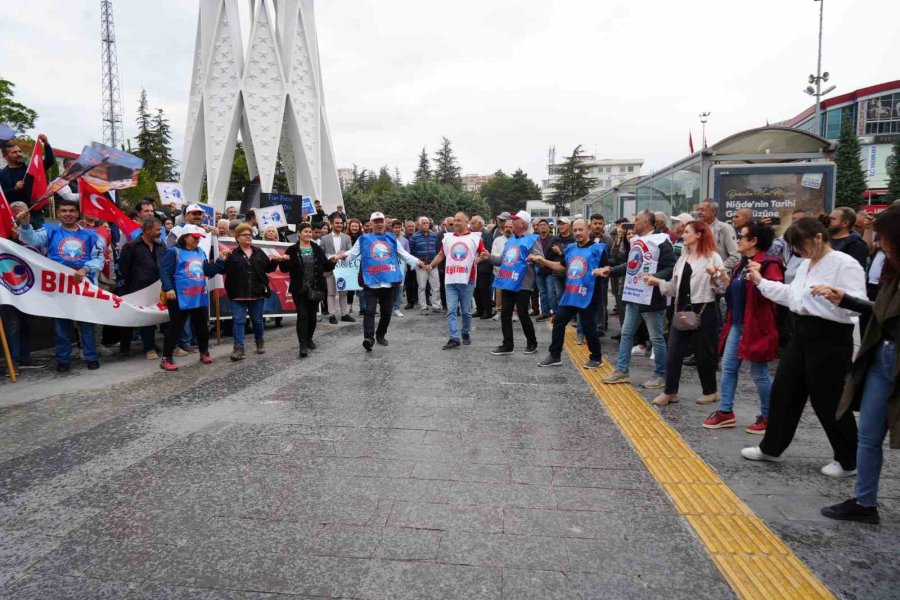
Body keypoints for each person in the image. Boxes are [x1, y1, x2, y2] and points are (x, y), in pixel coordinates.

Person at [740, 217, 865, 478]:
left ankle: (848, 459)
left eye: (801, 245)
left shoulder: (845, 263)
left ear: (817, 238)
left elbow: (860, 303)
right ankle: (772, 447)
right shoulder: (807, 263)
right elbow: (791, 296)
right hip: (801, 332)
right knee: (784, 391)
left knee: (828, 399)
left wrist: (838, 297)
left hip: (830, 335)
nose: (798, 252)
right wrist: (761, 282)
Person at [817, 206, 900, 524]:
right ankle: (865, 502)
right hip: (880, 357)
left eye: (882, 237)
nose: (877, 243)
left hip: (892, 361)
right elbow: (879, 309)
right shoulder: (891, 268)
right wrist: (846, 300)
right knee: (868, 435)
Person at [703, 222, 782, 432]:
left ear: (754, 241)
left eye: (742, 237)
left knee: (759, 373)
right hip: (737, 324)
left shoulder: (768, 264)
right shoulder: (743, 262)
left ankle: (769, 416)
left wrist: (759, 279)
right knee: (729, 368)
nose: (738, 240)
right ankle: (725, 411)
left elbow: (777, 292)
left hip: (757, 326)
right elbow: (734, 289)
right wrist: (721, 277)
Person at [14, 199, 106, 372]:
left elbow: (99, 257)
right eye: (64, 211)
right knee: (61, 326)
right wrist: (25, 225)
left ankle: (91, 357)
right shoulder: (49, 231)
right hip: (59, 287)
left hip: (83, 285)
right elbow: (32, 240)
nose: (68, 214)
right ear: (58, 213)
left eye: (71, 211)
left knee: (86, 323)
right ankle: (63, 360)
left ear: (78, 213)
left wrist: (85, 269)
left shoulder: (91, 235)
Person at [645, 220, 726, 406]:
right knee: (673, 352)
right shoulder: (682, 258)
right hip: (681, 309)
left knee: (703, 354)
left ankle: (711, 391)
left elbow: (722, 288)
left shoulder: (713, 257)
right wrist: (657, 282)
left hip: (704, 310)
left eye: (688, 231)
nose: (683, 234)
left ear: (699, 234)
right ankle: (670, 391)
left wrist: (715, 274)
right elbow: (675, 288)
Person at [599, 210, 676, 389]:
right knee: (626, 333)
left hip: (652, 298)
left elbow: (671, 267)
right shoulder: (637, 241)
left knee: (656, 337)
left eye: (637, 220)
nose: (634, 223)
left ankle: (660, 375)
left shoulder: (662, 241)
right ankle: (622, 370)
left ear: (647, 223)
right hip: (634, 294)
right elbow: (631, 264)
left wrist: (655, 277)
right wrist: (611, 270)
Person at [335, 212, 424, 351]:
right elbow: (352, 253)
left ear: (384, 223)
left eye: (381, 221)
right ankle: (368, 338)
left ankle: (380, 335)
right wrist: (342, 256)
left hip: (388, 282)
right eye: (376, 222)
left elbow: (404, 254)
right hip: (371, 282)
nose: (379, 224)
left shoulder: (392, 238)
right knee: (369, 311)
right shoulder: (363, 239)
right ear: (370, 224)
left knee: (387, 312)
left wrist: (418, 262)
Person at [531, 219, 606, 369]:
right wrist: (542, 260)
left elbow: (608, 267)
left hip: (588, 295)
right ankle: (555, 355)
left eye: (581, 230)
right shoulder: (570, 249)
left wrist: (605, 271)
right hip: (570, 294)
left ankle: (596, 357)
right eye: (576, 230)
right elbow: (561, 267)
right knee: (558, 321)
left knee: (588, 327)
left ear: (588, 230)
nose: (578, 233)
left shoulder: (599, 249)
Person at [158, 225, 224, 371]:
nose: (197, 240)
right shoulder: (174, 251)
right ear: (184, 237)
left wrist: (220, 261)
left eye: (199, 238)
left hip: (199, 295)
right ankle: (166, 358)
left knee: (202, 326)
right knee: (176, 327)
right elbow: (164, 271)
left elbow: (208, 271)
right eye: (194, 237)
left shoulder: (200, 252)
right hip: (179, 296)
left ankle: (204, 352)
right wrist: (168, 288)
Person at [220, 223, 283, 361]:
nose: (248, 237)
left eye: (249, 234)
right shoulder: (232, 253)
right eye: (244, 234)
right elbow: (221, 270)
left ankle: (259, 342)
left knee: (257, 320)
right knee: (238, 321)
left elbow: (268, 269)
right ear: (237, 237)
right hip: (237, 294)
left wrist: (275, 261)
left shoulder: (258, 252)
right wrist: (222, 259)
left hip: (257, 293)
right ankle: (239, 349)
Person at [427, 211, 487, 349]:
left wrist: (480, 258)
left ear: (466, 223)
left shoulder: (475, 238)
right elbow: (441, 254)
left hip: (467, 280)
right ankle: (454, 337)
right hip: (451, 279)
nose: (456, 222)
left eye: (459, 220)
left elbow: (484, 253)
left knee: (466, 311)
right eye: (455, 220)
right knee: (451, 309)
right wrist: (431, 265)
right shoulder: (448, 238)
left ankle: (465, 332)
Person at [489, 211, 543, 355]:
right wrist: (488, 257)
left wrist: (535, 258)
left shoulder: (532, 239)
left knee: (522, 314)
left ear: (522, 224)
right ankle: (508, 345)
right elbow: (501, 260)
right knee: (505, 313)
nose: (511, 222)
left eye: (514, 220)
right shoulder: (510, 240)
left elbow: (540, 259)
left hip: (523, 283)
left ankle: (532, 343)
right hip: (508, 281)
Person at [279, 223, 334, 357]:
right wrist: (283, 260)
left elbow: (326, 267)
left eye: (310, 232)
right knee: (302, 315)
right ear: (299, 233)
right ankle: (302, 344)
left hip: (315, 287)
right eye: (306, 232)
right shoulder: (292, 249)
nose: (309, 234)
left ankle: (309, 338)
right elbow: (284, 269)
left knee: (312, 316)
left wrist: (333, 260)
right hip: (300, 288)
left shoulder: (316, 248)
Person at [118, 217, 165, 360]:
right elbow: (123, 268)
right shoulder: (131, 246)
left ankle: (161, 345)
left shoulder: (161, 246)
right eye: (157, 230)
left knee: (158, 318)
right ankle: (148, 348)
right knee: (143, 319)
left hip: (158, 289)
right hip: (138, 289)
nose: (160, 232)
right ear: (147, 230)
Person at [0, 135, 55, 227]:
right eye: (14, 152)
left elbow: (49, 161)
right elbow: (2, 197)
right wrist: (15, 189)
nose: (18, 154)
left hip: (35, 214)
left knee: (38, 240)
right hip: (14, 217)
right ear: (5, 156)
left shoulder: (31, 169)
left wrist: (46, 144)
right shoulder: (2, 174)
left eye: (19, 151)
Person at [321, 215, 354, 324]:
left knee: (343, 292)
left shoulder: (347, 237)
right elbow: (321, 253)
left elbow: (350, 252)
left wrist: (345, 255)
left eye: (341, 223)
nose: (339, 225)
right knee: (331, 292)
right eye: (337, 223)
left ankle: (345, 314)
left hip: (343, 268)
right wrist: (330, 258)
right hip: (330, 268)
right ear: (331, 224)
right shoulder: (324, 238)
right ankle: (332, 314)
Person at [698, 199, 740, 272]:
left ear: (713, 212)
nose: (699, 213)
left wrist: (718, 270)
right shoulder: (697, 229)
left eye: (703, 210)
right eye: (699, 210)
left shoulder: (725, 229)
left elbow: (735, 256)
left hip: (718, 278)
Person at [409, 216, 440, 314]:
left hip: (433, 265)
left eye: (427, 223)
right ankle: (423, 307)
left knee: (436, 286)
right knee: (422, 287)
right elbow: (412, 253)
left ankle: (436, 306)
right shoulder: (414, 237)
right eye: (424, 223)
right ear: (418, 225)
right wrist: (419, 262)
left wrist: (432, 263)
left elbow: (438, 250)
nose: (426, 224)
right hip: (421, 266)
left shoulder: (434, 235)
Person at [470, 215, 494, 319]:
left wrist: (479, 259)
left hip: (484, 267)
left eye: (473, 223)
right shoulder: (471, 234)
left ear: (480, 224)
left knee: (484, 290)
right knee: (476, 290)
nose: (471, 225)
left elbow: (488, 250)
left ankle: (487, 311)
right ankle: (479, 309)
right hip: (474, 267)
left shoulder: (487, 234)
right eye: (471, 223)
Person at [534, 218, 557, 321]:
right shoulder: (535, 239)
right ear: (537, 228)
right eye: (540, 225)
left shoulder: (553, 239)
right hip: (538, 269)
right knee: (542, 293)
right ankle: (545, 312)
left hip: (549, 269)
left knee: (551, 293)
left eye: (544, 225)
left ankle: (556, 313)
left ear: (549, 227)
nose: (542, 226)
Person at [491, 217, 513, 320]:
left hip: (513, 271)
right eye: (506, 227)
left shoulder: (516, 240)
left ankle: (515, 312)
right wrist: (505, 257)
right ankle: (498, 311)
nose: (508, 229)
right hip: (499, 270)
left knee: (513, 291)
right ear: (503, 229)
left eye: (510, 227)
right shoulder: (497, 240)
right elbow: (494, 254)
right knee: (499, 291)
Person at [392, 219, 411, 317]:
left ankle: (397, 308)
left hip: (401, 268)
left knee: (400, 288)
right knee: (390, 289)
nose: (397, 229)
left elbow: (407, 254)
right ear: (392, 228)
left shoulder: (405, 241)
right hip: (389, 268)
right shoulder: (388, 239)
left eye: (399, 227)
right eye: (395, 227)